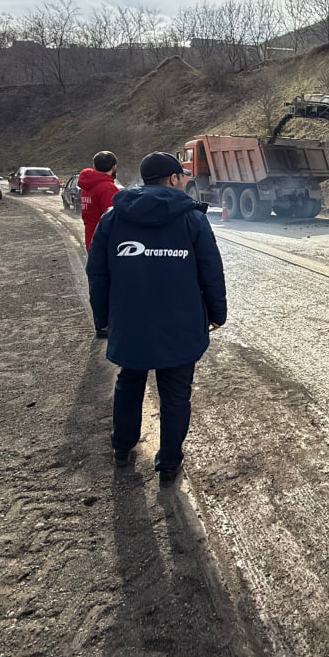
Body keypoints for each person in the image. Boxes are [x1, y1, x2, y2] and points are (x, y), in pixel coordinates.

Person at [86, 151, 227, 483]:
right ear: (174, 178)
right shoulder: (192, 219)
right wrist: (217, 313)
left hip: (129, 321)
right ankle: (168, 464)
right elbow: (211, 271)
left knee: (129, 381)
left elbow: (98, 274)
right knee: (176, 394)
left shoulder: (112, 218)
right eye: (182, 177)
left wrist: (102, 317)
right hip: (181, 323)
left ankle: (122, 448)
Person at [79, 150, 122, 252]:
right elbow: (114, 219)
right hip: (105, 243)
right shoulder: (108, 188)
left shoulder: (87, 186)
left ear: (94, 166)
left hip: (91, 238)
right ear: (114, 167)